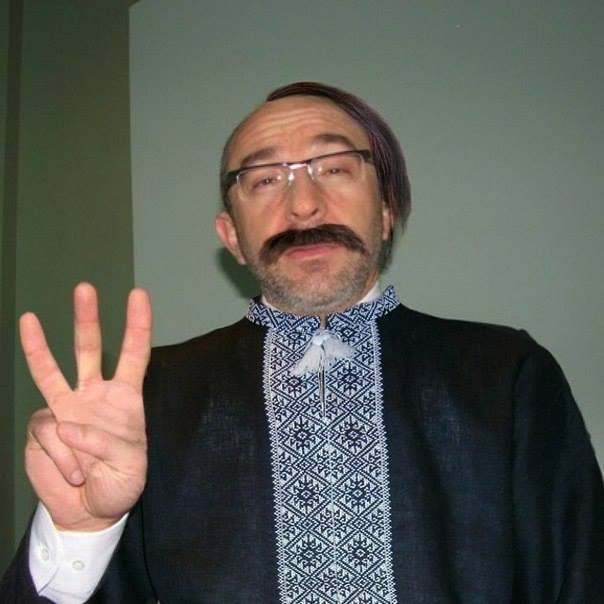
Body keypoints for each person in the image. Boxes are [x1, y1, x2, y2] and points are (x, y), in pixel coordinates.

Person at [1, 82, 602, 603]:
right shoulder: (148, 394)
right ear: (231, 236)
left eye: (334, 169)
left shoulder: (506, 374)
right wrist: (82, 532)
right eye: (265, 180)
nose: (304, 205)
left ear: (386, 210)